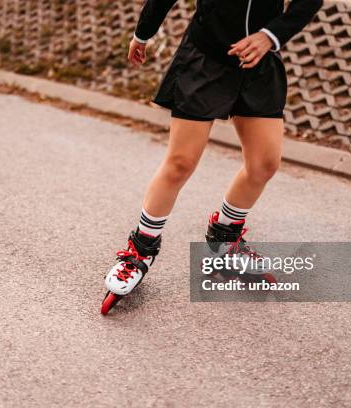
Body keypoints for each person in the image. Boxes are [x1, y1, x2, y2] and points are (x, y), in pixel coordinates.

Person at [101, 0, 323, 314]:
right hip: (205, 59)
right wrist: (143, 34)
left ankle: (225, 240)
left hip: (258, 60)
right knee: (181, 162)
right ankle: (139, 251)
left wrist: (270, 36)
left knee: (264, 164)